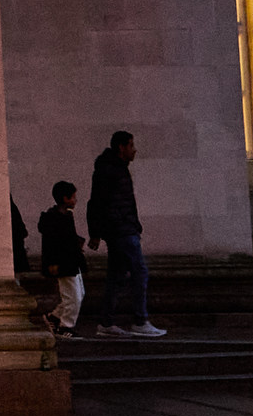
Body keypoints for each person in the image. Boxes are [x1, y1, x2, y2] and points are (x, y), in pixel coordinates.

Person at [86, 131, 159, 338]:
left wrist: (99, 231)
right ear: (121, 147)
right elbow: (98, 202)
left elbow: (99, 202)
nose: (134, 150)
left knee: (116, 276)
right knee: (139, 271)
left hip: (120, 229)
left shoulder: (113, 169)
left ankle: (107, 321)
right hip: (122, 230)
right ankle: (140, 320)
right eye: (131, 145)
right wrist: (117, 226)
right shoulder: (112, 171)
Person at [34, 183, 88, 337]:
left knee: (77, 294)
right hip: (65, 263)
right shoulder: (57, 218)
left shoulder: (64, 216)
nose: (75, 200)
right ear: (66, 199)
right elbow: (53, 243)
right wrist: (53, 263)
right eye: (73, 197)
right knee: (73, 296)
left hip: (70, 262)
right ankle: (65, 326)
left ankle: (56, 317)